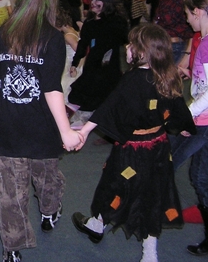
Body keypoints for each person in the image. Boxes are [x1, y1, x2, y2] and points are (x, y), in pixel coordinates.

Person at [0, 0, 83, 262]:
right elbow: (51, 88)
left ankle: (12, 248)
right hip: (41, 127)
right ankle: (49, 211)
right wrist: (66, 131)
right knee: (46, 174)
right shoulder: (53, 38)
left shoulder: (3, 32)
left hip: (7, 126)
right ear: (51, 1)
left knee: (10, 191)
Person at [72, 23, 195, 262]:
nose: (127, 47)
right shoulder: (167, 75)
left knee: (114, 185)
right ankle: (148, 253)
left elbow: (109, 107)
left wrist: (84, 131)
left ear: (143, 51)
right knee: (152, 194)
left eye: (131, 44)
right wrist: (184, 127)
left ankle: (99, 225)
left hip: (132, 150)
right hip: (158, 147)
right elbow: (177, 106)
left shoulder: (131, 79)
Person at [172, 0, 208, 255]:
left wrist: (188, 115)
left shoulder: (206, 44)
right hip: (201, 117)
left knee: (196, 174)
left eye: (187, 14)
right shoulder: (201, 40)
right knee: (200, 175)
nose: (186, 20)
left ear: (197, 11)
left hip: (203, 120)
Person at [68, 0, 129, 128]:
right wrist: (75, 63)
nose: (93, 3)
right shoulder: (90, 23)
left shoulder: (117, 22)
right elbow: (83, 44)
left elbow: (125, 39)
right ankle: (87, 121)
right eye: (93, 0)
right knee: (86, 93)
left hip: (110, 66)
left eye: (98, 1)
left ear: (106, 4)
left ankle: (107, 125)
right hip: (93, 64)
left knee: (107, 95)